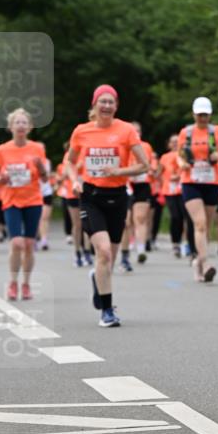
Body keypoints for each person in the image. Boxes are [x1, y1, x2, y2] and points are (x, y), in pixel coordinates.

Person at [66, 84, 148, 327]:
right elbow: (70, 162)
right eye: (102, 101)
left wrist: (119, 170)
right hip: (91, 196)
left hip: (118, 197)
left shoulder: (126, 130)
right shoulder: (81, 131)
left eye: (111, 102)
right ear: (94, 105)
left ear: (116, 106)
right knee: (102, 251)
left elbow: (144, 165)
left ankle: (97, 277)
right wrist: (74, 180)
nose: (107, 105)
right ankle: (107, 310)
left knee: (109, 258)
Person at [177, 97, 218, 282]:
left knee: (206, 227)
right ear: (194, 114)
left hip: (212, 182)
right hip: (190, 182)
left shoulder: (217, 132)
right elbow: (179, 156)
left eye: (206, 114)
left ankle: (197, 264)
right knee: (199, 224)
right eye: (200, 114)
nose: (203, 118)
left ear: (210, 114)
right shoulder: (186, 133)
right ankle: (206, 262)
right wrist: (183, 163)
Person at [0, 110, 47, 300]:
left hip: (33, 199)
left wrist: (41, 167)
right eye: (17, 122)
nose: (21, 126)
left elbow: (45, 177)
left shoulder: (37, 149)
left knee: (29, 244)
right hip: (11, 200)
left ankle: (26, 284)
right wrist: (1, 177)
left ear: (30, 127)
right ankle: (13, 282)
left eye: (25, 122)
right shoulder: (3, 150)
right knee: (17, 243)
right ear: (11, 127)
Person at [128, 121, 157, 264]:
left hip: (142, 185)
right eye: (132, 131)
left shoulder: (146, 147)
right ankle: (125, 249)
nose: (135, 134)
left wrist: (147, 169)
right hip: (125, 185)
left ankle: (141, 250)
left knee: (140, 218)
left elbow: (151, 165)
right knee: (126, 220)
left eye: (137, 131)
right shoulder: (123, 145)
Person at [159, 134, 184, 257]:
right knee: (175, 216)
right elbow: (159, 173)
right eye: (172, 142)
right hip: (168, 190)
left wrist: (179, 176)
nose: (174, 143)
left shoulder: (184, 154)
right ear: (169, 144)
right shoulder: (164, 157)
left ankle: (186, 242)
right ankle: (175, 243)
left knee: (183, 216)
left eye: (177, 141)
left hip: (182, 189)